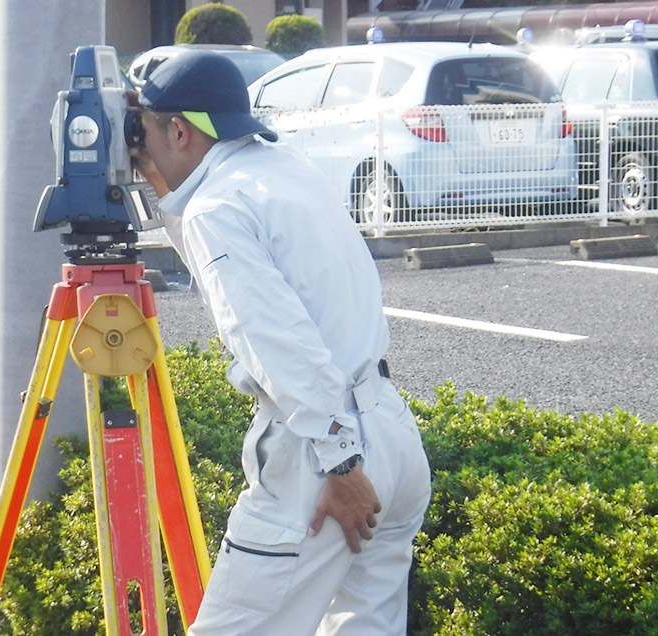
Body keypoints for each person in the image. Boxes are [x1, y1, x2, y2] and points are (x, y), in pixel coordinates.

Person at [128, 51, 432, 635]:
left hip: (324, 455)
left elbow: (271, 336)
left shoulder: (215, 208)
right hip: (390, 429)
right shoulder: (282, 170)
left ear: (179, 130)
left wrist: (341, 461)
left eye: (144, 125)